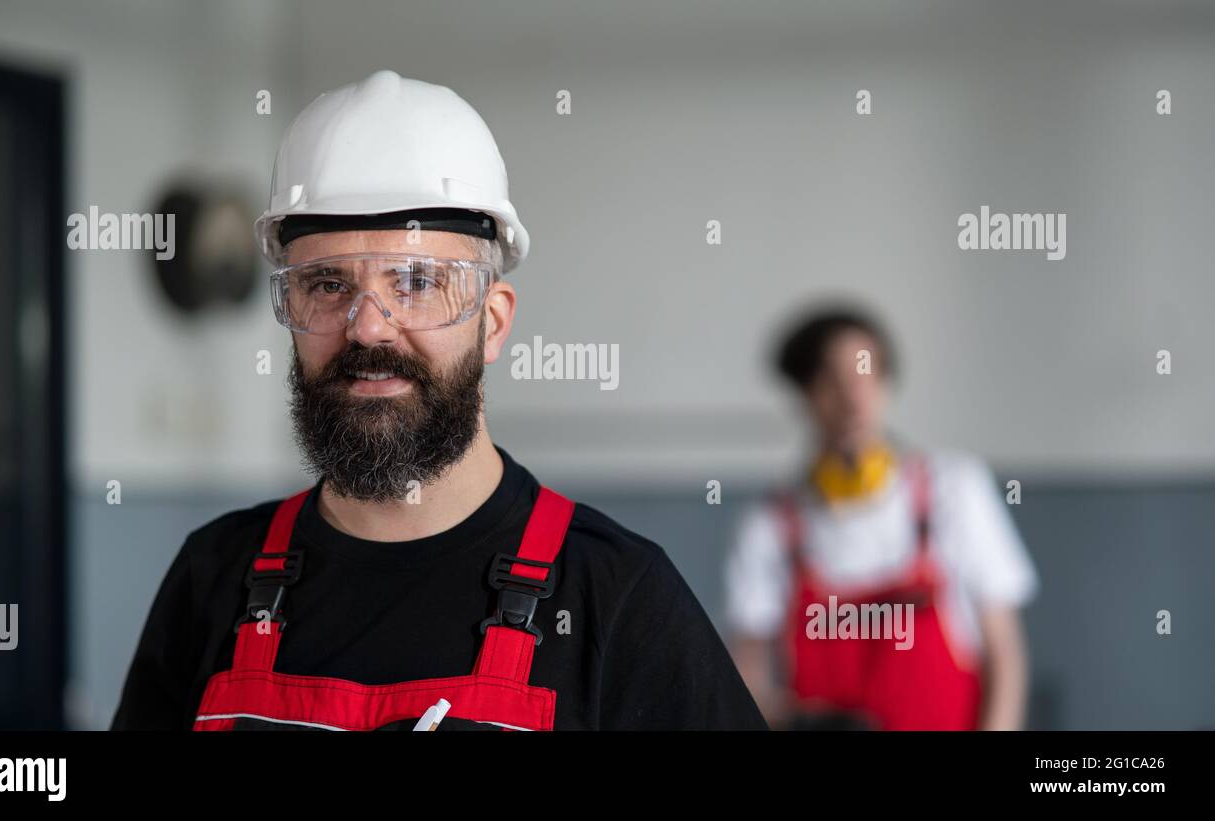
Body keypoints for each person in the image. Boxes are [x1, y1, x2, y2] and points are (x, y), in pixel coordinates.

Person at [111, 70, 765, 731]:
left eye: (418, 281)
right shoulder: (213, 578)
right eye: (328, 283)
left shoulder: (618, 600)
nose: (368, 326)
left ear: (495, 322)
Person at [725, 306, 1037, 730]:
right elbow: (748, 676)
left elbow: (1005, 655)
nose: (853, 397)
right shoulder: (772, 526)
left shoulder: (953, 491)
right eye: (830, 381)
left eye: (865, 375)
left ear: (887, 384)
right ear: (805, 395)